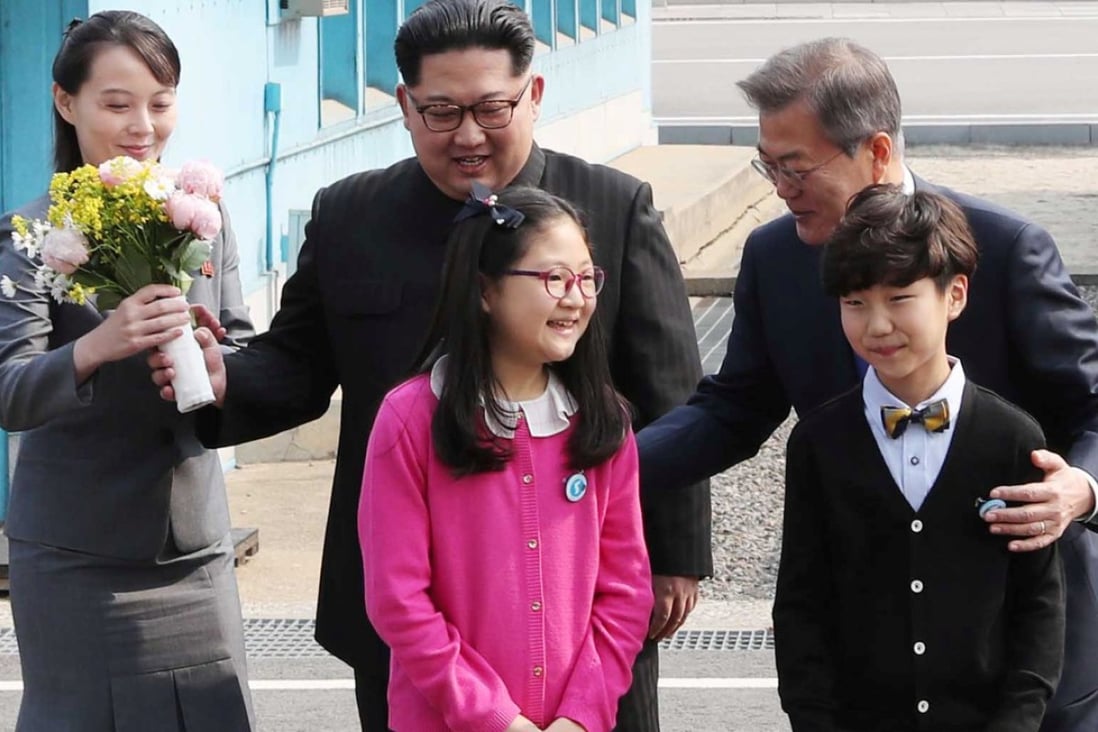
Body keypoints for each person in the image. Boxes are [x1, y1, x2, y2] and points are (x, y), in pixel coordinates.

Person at [151, 1, 710, 728]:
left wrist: (675, 551)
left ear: (533, 96)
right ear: (405, 106)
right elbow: (298, 360)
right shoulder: (351, 216)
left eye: (491, 108)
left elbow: (667, 389)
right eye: (442, 111)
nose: (469, 134)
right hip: (409, 620)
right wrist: (229, 376)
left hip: (577, 621)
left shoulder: (608, 207)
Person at [636, 37, 1098, 730]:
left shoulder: (1004, 249)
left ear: (877, 154)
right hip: (875, 673)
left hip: (1024, 661)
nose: (781, 188)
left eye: (796, 166)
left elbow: (1091, 405)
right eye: (768, 166)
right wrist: (609, 467)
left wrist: (1079, 488)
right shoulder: (773, 257)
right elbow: (734, 407)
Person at [0, 11, 255, 731]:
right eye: (117, 104)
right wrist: (97, 345)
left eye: (160, 101)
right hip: (76, 553)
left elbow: (242, 345)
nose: (143, 124)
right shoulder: (30, 236)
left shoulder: (201, 215)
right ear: (65, 102)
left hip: (195, 551)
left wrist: (220, 363)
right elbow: (9, 389)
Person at [360, 185, 652, 732]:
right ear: (485, 290)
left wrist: (582, 713)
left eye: (587, 277)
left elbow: (626, 591)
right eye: (554, 278)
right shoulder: (410, 419)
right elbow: (398, 600)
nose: (576, 297)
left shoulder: (602, 422)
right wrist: (496, 718)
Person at [776, 183, 1064, 731]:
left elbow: (1039, 609)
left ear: (954, 295)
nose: (876, 325)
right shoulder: (819, 442)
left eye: (900, 298)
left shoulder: (1012, 437)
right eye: (854, 304)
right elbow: (801, 606)